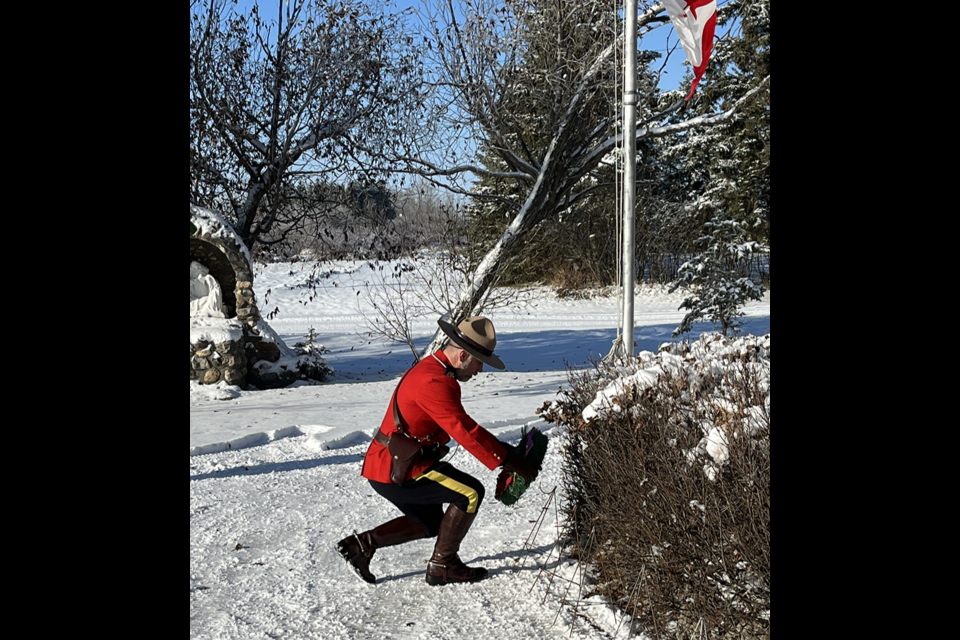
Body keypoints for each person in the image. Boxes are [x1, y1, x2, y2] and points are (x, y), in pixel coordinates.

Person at [336, 316, 540, 586]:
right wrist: (509, 460)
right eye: (479, 362)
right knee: (470, 492)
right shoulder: (435, 382)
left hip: (398, 461)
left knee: (430, 522)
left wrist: (507, 453)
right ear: (463, 355)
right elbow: (464, 430)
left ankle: (361, 546)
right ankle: (443, 565)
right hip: (397, 467)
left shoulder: (432, 368)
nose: (479, 370)